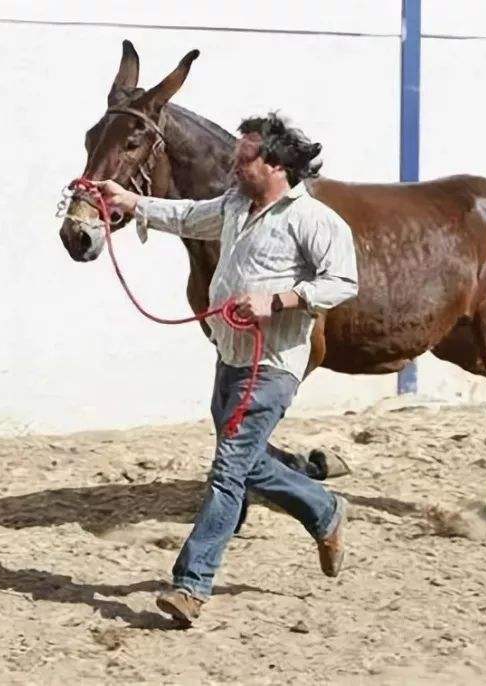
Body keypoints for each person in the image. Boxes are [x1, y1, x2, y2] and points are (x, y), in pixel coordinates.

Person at [95, 113, 359, 627]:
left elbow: (343, 282)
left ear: (277, 164)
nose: (234, 166)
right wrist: (132, 202)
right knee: (247, 461)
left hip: (274, 364)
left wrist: (281, 300)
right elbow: (191, 216)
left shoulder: (313, 220)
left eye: (244, 159)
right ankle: (323, 509)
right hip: (232, 358)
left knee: (228, 471)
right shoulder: (236, 205)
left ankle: (191, 585)